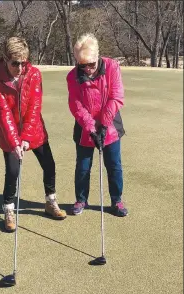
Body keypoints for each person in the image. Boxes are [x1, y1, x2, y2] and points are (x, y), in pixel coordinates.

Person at [0, 37, 66, 232]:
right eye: (15, 63)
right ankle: (8, 208)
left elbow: (34, 107)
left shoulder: (34, 74)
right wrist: (16, 141)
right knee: (13, 172)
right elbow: (3, 113)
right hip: (9, 133)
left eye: (23, 63)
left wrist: (26, 137)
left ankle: (50, 201)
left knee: (49, 164)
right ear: (5, 59)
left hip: (34, 129)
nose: (20, 67)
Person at [66, 33, 128, 217]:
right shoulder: (72, 76)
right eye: (82, 65)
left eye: (91, 64)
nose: (87, 69)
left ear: (98, 56)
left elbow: (116, 97)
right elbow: (75, 105)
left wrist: (103, 126)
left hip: (110, 125)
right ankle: (81, 199)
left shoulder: (112, 67)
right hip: (84, 127)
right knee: (83, 167)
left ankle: (116, 200)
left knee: (114, 165)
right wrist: (91, 127)